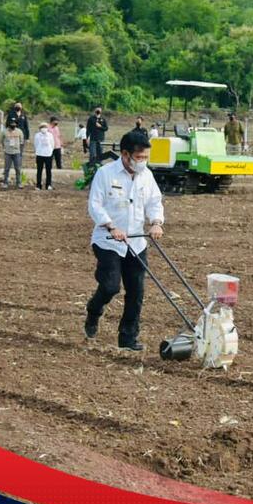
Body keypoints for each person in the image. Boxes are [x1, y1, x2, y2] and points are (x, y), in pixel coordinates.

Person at [84, 131, 164, 351]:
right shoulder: (105, 173)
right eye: (139, 157)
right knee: (110, 287)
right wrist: (111, 225)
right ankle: (94, 311)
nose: (143, 162)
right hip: (108, 241)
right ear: (126, 154)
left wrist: (156, 222)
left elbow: (154, 202)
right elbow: (95, 205)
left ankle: (127, 338)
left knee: (136, 291)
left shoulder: (146, 175)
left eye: (146, 157)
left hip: (137, 242)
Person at [0, 120, 23, 189]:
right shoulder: (4, 132)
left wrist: (19, 150)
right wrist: (6, 148)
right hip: (8, 153)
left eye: (14, 123)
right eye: (12, 123)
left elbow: (21, 142)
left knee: (18, 168)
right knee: (6, 169)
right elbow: (1, 141)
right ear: (9, 124)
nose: (13, 124)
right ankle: (5, 183)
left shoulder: (19, 131)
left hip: (16, 153)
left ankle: (18, 183)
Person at [33, 122, 55, 190]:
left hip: (48, 154)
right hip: (39, 154)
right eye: (42, 127)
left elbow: (52, 144)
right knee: (39, 170)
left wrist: (50, 151)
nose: (44, 128)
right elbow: (35, 144)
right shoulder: (37, 135)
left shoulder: (50, 135)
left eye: (45, 127)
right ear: (39, 128)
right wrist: (38, 151)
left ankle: (48, 185)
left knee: (48, 170)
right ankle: (38, 185)